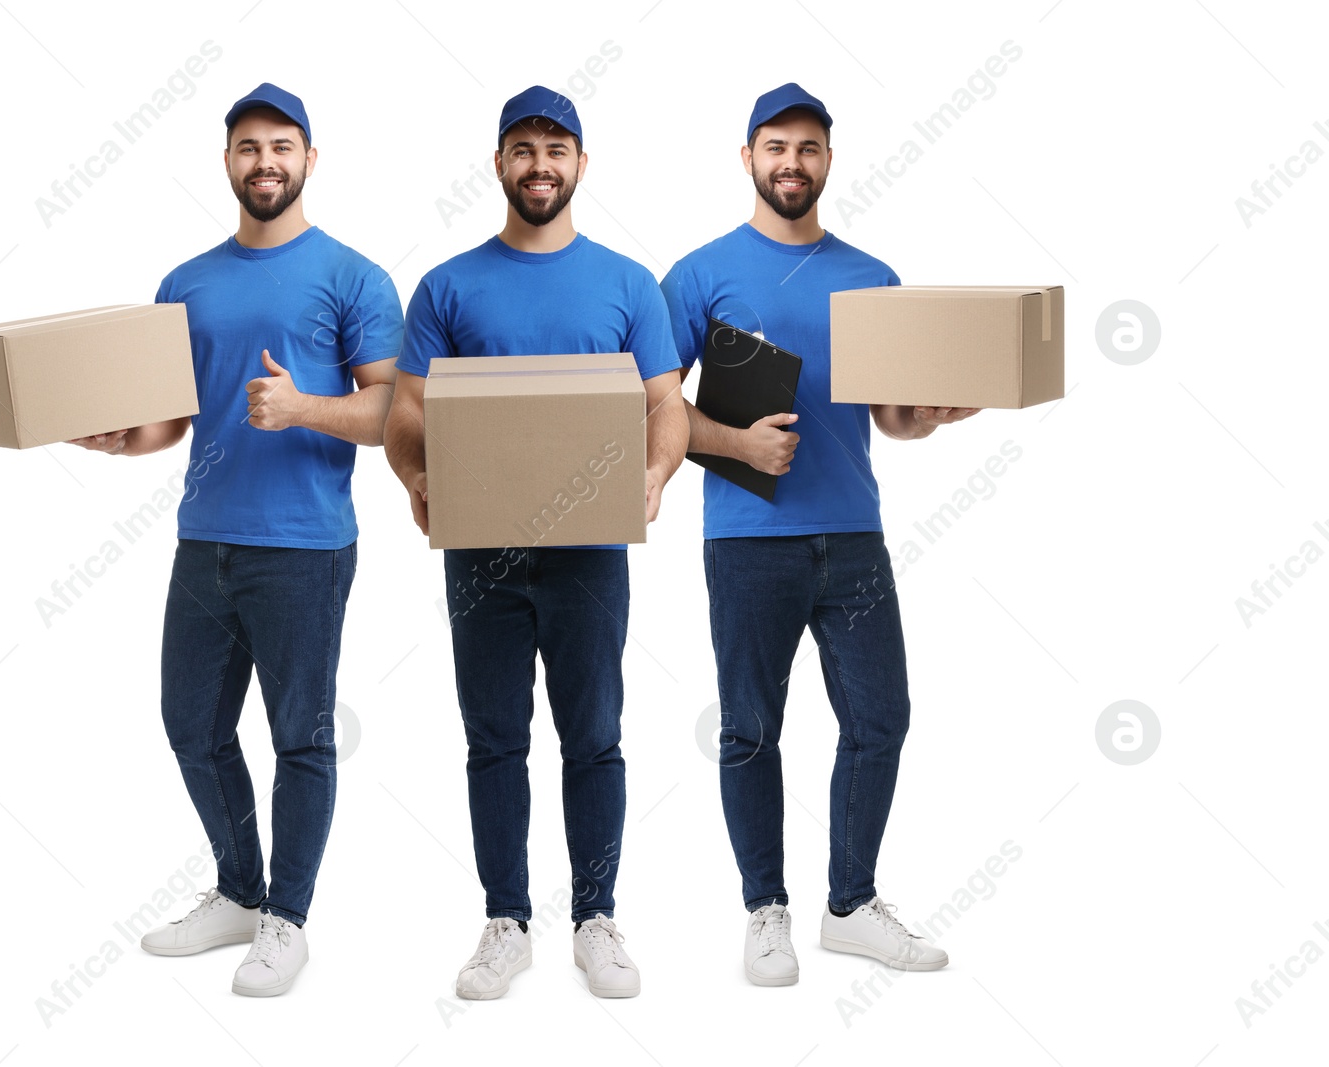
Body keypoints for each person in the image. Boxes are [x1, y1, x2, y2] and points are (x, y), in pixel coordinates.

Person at [67, 82, 402, 997]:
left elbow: (393, 414)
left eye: (282, 145)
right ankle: (239, 890)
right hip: (203, 539)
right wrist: (118, 437)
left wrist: (300, 406)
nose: (265, 161)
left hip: (304, 545)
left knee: (301, 738)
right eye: (248, 146)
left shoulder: (354, 276)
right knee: (192, 725)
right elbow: (174, 415)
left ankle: (287, 919)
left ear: (309, 160)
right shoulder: (186, 281)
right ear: (227, 162)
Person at [660, 82, 978, 986]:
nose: (791, 162)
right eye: (775, 146)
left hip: (855, 537)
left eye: (808, 147)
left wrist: (934, 416)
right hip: (747, 537)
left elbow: (895, 417)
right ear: (748, 157)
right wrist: (734, 440)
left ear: (828, 160)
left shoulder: (872, 278)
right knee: (751, 730)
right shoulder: (698, 274)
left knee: (882, 718)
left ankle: (850, 904)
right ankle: (767, 910)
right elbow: (649, 410)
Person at [383, 86, 687, 1001]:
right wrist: (416, 477)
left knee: (594, 736)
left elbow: (666, 404)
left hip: (592, 548)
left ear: (582, 165)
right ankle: (505, 921)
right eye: (523, 148)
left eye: (557, 148)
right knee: (494, 739)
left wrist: (657, 473)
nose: (540, 164)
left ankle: (596, 917)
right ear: (500, 164)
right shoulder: (448, 285)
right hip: (483, 550)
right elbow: (405, 411)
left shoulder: (629, 283)